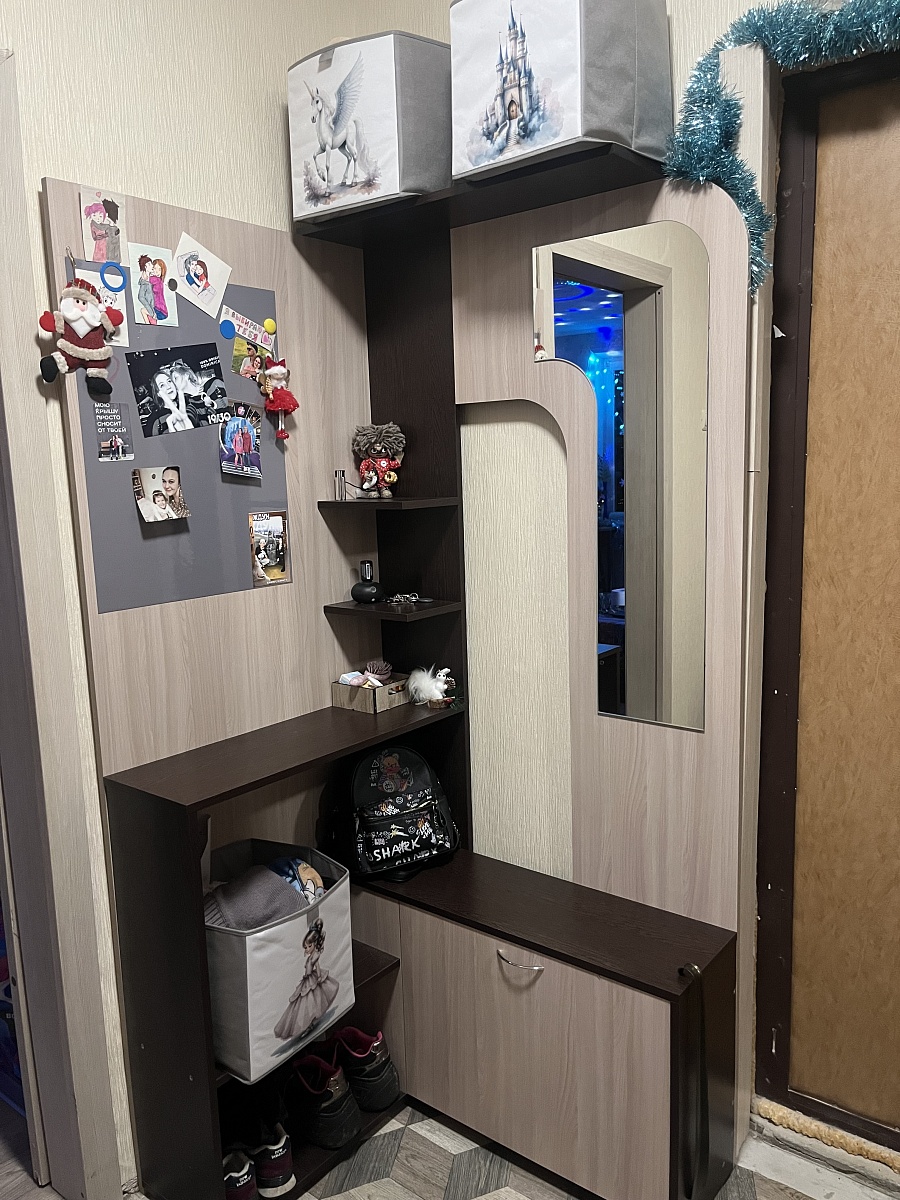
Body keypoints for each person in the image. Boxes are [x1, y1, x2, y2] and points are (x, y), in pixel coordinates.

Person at [273, 920, 339, 1041]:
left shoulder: (314, 956)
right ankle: (307, 1024)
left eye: (309, 946)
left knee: (310, 1001)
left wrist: (319, 976)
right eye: (306, 947)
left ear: (315, 944)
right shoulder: (310, 957)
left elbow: (317, 966)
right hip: (306, 980)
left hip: (311, 980)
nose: (307, 949)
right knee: (303, 1003)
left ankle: (309, 1023)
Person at [148, 370, 192, 435]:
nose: (168, 387)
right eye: (162, 385)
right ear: (158, 394)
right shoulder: (155, 419)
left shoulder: (190, 403)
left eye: (169, 381)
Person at [136, 255, 157, 324]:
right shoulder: (144, 282)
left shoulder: (151, 279)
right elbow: (140, 297)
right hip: (151, 312)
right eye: (149, 264)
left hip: (154, 310)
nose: (152, 266)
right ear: (145, 267)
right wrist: (151, 312)